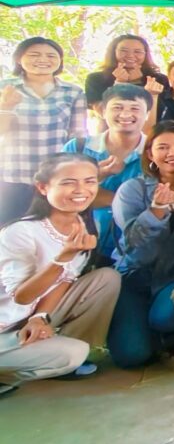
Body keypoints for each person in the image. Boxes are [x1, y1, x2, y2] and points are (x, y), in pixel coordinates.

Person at [0, 154, 121, 398]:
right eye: (68, 182)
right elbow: (21, 297)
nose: (81, 190)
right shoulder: (20, 231)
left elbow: (65, 280)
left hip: (29, 317)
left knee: (106, 278)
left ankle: (47, 347)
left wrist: (40, 318)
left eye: (90, 181)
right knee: (72, 355)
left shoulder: (82, 225)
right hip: (6, 324)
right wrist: (62, 258)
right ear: (43, 187)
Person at [108, 121, 174, 369]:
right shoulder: (132, 190)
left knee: (163, 319)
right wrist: (156, 211)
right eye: (163, 147)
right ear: (150, 153)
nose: (172, 153)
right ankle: (148, 334)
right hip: (134, 277)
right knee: (132, 355)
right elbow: (133, 243)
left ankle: (169, 332)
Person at [0, 37, 88, 224]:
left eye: (51, 56)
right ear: (19, 59)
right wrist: (6, 106)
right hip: (14, 175)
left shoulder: (73, 92)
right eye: (34, 55)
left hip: (56, 177)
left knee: (53, 229)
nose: (43, 59)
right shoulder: (4, 88)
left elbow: (78, 136)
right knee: (8, 228)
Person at [62, 84, 151, 261]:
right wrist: (98, 176)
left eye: (135, 108)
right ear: (102, 111)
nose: (125, 114)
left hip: (136, 251)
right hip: (77, 247)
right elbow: (60, 196)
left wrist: (93, 195)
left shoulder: (157, 152)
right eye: (117, 107)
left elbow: (157, 203)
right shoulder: (77, 147)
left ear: (147, 114)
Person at [84, 34, 168, 113]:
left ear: (146, 54)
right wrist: (120, 83)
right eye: (124, 50)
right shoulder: (96, 79)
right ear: (113, 52)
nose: (130, 55)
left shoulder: (159, 79)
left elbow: (163, 111)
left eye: (138, 51)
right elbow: (102, 112)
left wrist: (138, 84)